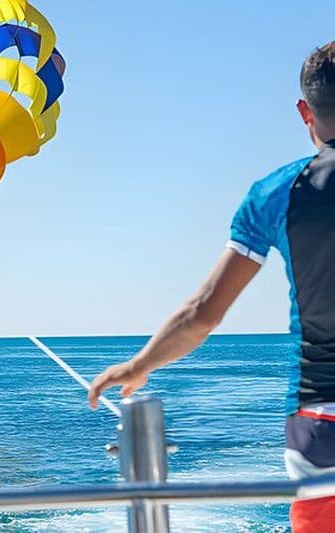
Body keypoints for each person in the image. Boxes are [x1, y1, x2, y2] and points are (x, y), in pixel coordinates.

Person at [88, 42, 335, 532]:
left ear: (304, 111)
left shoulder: (274, 194)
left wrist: (139, 365)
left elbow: (204, 313)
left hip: (319, 425)